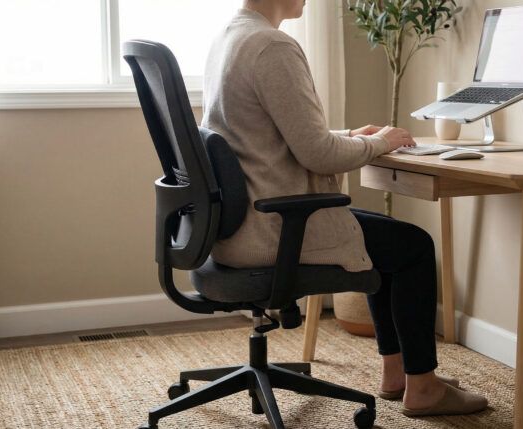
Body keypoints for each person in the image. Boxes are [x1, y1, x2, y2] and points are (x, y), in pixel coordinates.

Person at [201, 0, 488, 417]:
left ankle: (397, 374)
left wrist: (352, 135)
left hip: (240, 224)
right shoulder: (271, 46)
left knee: (390, 241)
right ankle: (423, 387)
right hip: (274, 228)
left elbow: (263, 136)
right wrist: (382, 142)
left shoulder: (230, 38)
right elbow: (319, 155)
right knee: (413, 247)